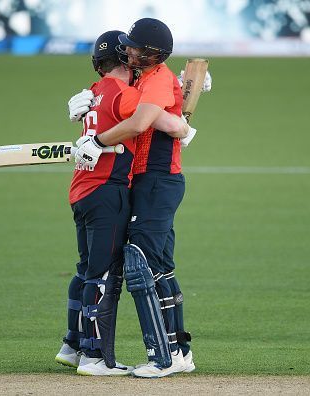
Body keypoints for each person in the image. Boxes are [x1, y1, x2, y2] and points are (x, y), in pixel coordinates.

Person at [73, 18, 210, 378]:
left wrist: (97, 141)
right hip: (145, 179)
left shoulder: (157, 79)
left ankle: (161, 358)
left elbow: (141, 123)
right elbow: (121, 96)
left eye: (133, 46)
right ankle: (179, 352)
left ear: (151, 53)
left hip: (158, 179)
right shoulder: (144, 78)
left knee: (140, 262)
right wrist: (90, 99)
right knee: (161, 266)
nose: (127, 49)